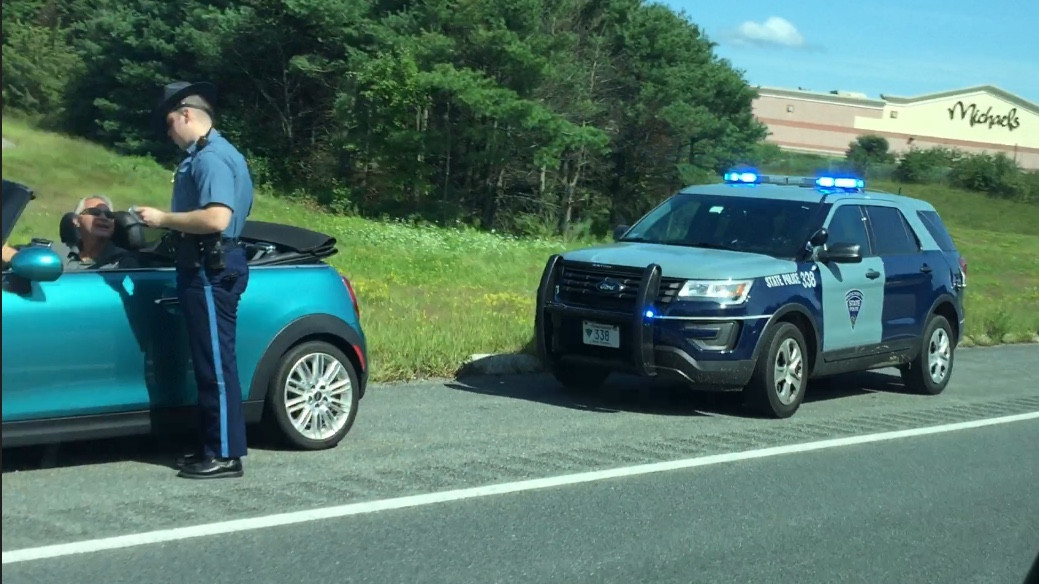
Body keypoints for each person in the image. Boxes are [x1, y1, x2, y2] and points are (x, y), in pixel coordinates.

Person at [134, 80, 254, 480]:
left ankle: (223, 453)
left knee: (215, 365)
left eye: (169, 123)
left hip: (209, 265)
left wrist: (162, 219)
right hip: (211, 262)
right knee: (210, 361)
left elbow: (216, 218)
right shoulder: (218, 154)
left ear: (187, 114)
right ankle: (212, 444)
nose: (168, 133)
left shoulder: (209, 158)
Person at [2, 195, 132, 271]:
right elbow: (12, 253)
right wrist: (15, 256)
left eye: (109, 215)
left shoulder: (127, 262)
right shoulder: (56, 253)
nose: (103, 217)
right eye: (94, 212)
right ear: (76, 220)